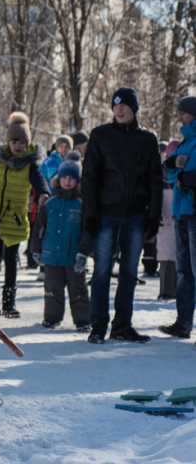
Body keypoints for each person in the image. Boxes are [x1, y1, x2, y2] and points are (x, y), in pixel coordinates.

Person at [82, 88, 162, 344]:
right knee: (101, 271)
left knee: (129, 273)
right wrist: (90, 214)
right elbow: (89, 177)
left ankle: (122, 326)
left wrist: (154, 215)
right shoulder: (100, 135)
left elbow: (155, 179)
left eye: (125, 105)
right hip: (106, 214)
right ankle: (98, 326)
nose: (119, 109)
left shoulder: (147, 139)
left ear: (134, 109)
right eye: (115, 105)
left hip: (136, 215)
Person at [0, 112, 48, 318]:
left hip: (14, 219)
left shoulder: (29, 164)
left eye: (23, 142)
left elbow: (39, 180)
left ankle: (9, 303)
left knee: (11, 263)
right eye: (15, 141)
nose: (18, 146)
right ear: (8, 141)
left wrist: (44, 193)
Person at [30, 159, 91, 332]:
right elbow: (39, 229)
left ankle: (82, 320)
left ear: (78, 181)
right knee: (52, 290)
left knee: (78, 290)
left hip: (73, 257)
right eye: (64, 177)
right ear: (58, 179)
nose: (68, 181)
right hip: (52, 256)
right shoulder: (49, 204)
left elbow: (87, 231)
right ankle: (52, 318)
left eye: (72, 178)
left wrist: (84, 252)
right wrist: (36, 249)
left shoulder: (81, 205)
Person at [158, 97, 196, 341]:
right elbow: (169, 172)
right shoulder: (185, 142)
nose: (180, 116)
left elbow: (183, 175)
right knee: (184, 271)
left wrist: (183, 177)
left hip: (194, 211)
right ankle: (183, 323)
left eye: (184, 112)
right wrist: (173, 164)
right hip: (182, 211)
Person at [157, 140, 179, 300]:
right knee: (167, 255)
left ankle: (174, 290)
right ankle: (167, 290)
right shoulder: (161, 172)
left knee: (177, 255)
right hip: (166, 218)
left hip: (177, 216)